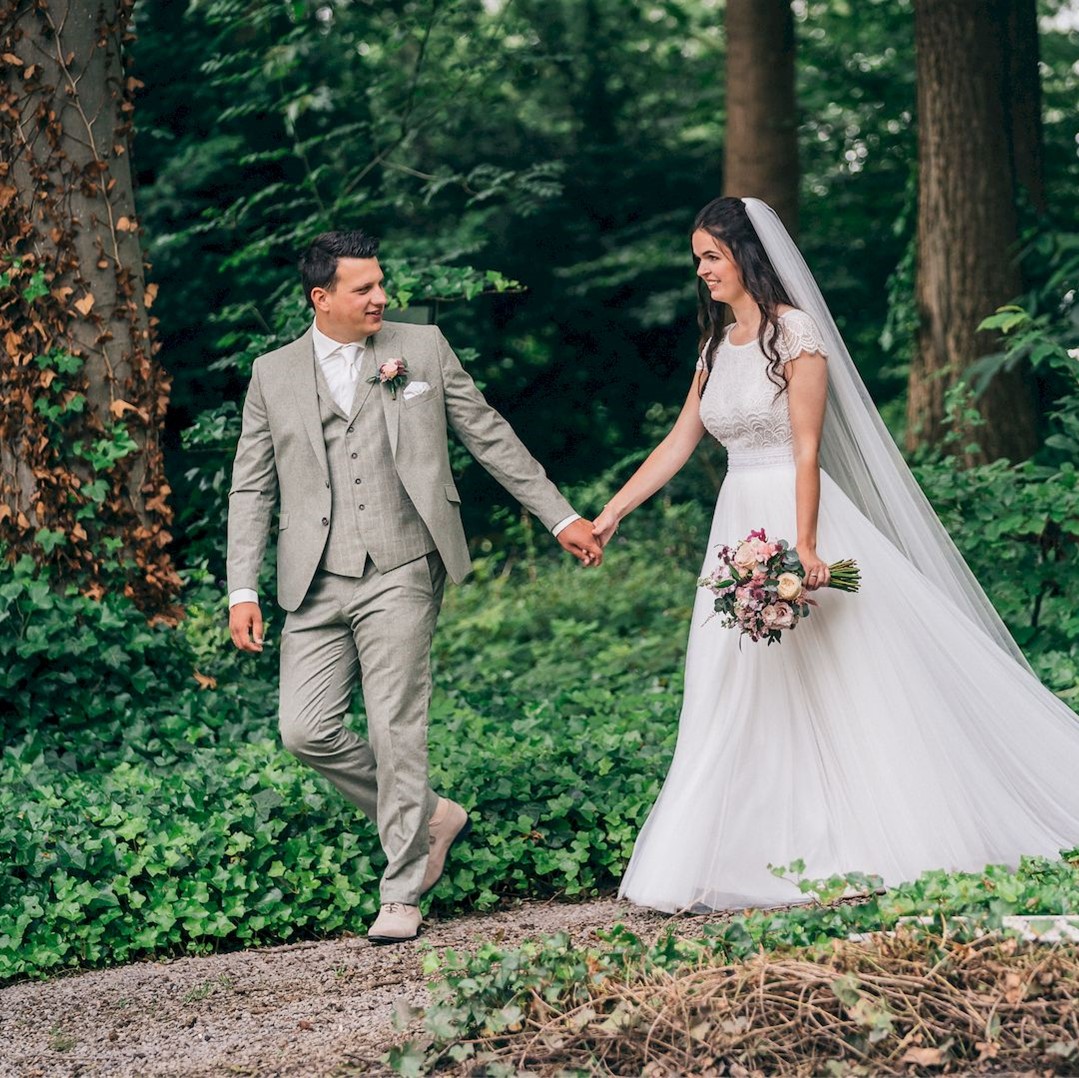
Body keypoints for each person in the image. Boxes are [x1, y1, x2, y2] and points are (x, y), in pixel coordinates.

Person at [592, 196, 1079, 913]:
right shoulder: (713, 348)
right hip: (735, 531)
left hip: (795, 515)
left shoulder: (795, 334)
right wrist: (609, 515)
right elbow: (678, 443)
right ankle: (747, 843)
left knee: (849, 677)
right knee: (734, 684)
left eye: (710, 257)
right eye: (698, 259)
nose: (700, 272)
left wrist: (807, 546)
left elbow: (808, 448)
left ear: (746, 256)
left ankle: (884, 824)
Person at [226, 230, 603, 943]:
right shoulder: (271, 374)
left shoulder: (420, 348)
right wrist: (240, 587)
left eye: (381, 283)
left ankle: (400, 888)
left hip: (402, 565)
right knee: (304, 730)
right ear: (322, 298)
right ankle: (431, 813)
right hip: (311, 578)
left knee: (394, 725)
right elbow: (251, 486)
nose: (381, 297)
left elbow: (486, 433)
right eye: (364, 287)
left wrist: (560, 518)